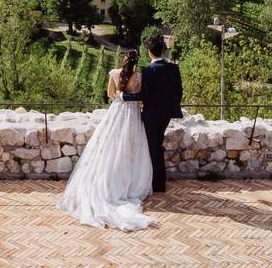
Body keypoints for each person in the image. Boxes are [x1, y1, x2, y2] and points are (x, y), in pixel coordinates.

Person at [57, 49, 153, 231]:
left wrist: (120, 96)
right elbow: (140, 99)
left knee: (110, 145)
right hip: (132, 113)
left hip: (117, 110)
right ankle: (129, 180)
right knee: (131, 146)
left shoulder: (114, 73)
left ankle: (108, 179)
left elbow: (110, 94)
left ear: (124, 59)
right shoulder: (139, 76)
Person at [123, 32, 183, 193]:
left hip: (151, 115)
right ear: (162, 51)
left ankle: (157, 184)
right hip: (167, 114)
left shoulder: (148, 70)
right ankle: (158, 182)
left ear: (149, 51)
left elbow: (143, 95)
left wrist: (124, 96)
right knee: (157, 145)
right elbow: (179, 92)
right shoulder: (173, 68)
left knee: (153, 147)